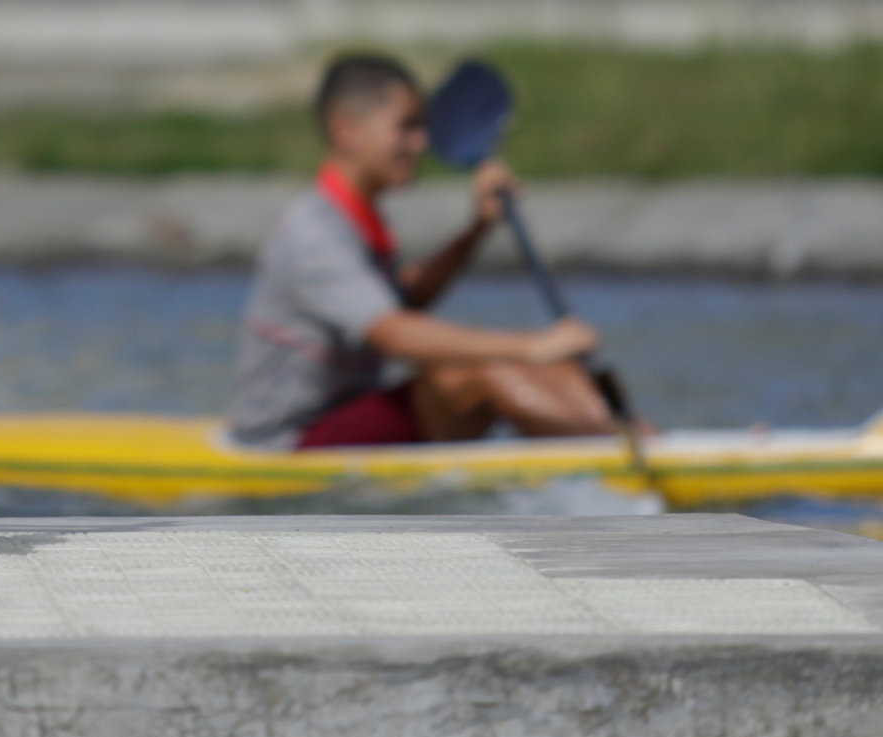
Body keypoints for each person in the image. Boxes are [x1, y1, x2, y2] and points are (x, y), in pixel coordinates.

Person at [225, 51, 617, 449]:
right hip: (284, 442)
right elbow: (393, 334)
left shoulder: (357, 219)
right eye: (407, 127)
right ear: (346, 132)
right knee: (481, 370)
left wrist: (477, 228)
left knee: (548, 363)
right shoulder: (314, 233)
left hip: (348, 415)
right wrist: (531, 347)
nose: (422, 141)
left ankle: (626, 438)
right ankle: (610, 456)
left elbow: (405, 300)